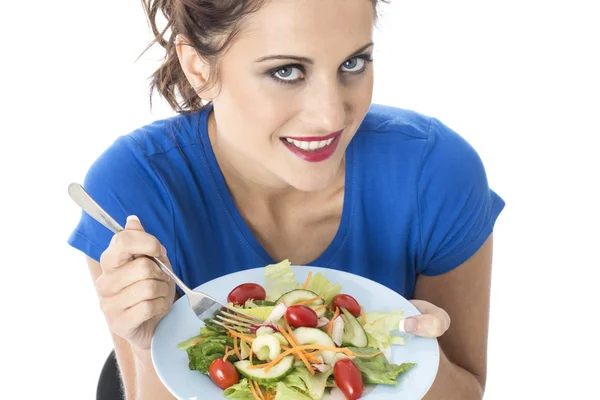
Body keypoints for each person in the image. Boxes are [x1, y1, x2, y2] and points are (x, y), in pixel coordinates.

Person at [68, 0, 504, 399]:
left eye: (353, 62)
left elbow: (466, 390)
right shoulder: (136, 190)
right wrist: (148, 346)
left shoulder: (434, 173)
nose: (331, 115)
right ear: (199, 67)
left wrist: (419, 357)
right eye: (286, 71)